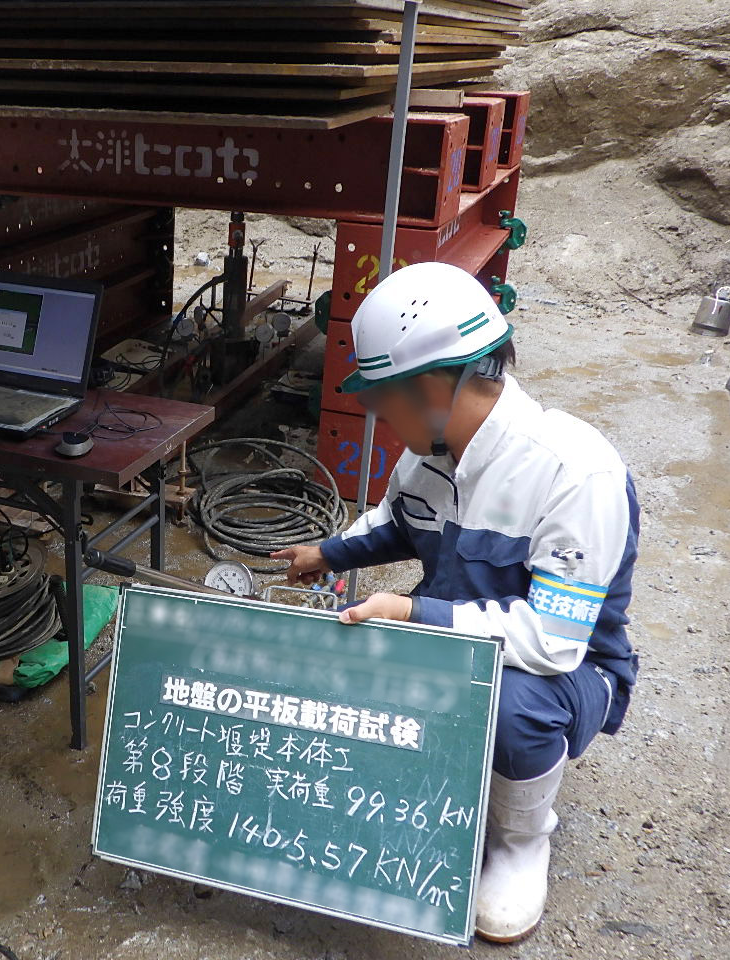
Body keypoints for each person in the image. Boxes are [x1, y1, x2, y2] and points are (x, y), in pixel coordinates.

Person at [272, 261, 639, 942]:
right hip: (452, 643)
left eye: (383, 402)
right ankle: (437, 781)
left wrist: (413, 614)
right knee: (340, 648)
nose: (380, 420)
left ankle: (522, 841)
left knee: (509, 706)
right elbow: (396, 522)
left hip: (563, 673)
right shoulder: (431, 456)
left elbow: (553, 640)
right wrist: (327, 553)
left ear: (434, 387)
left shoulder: (574, 473)